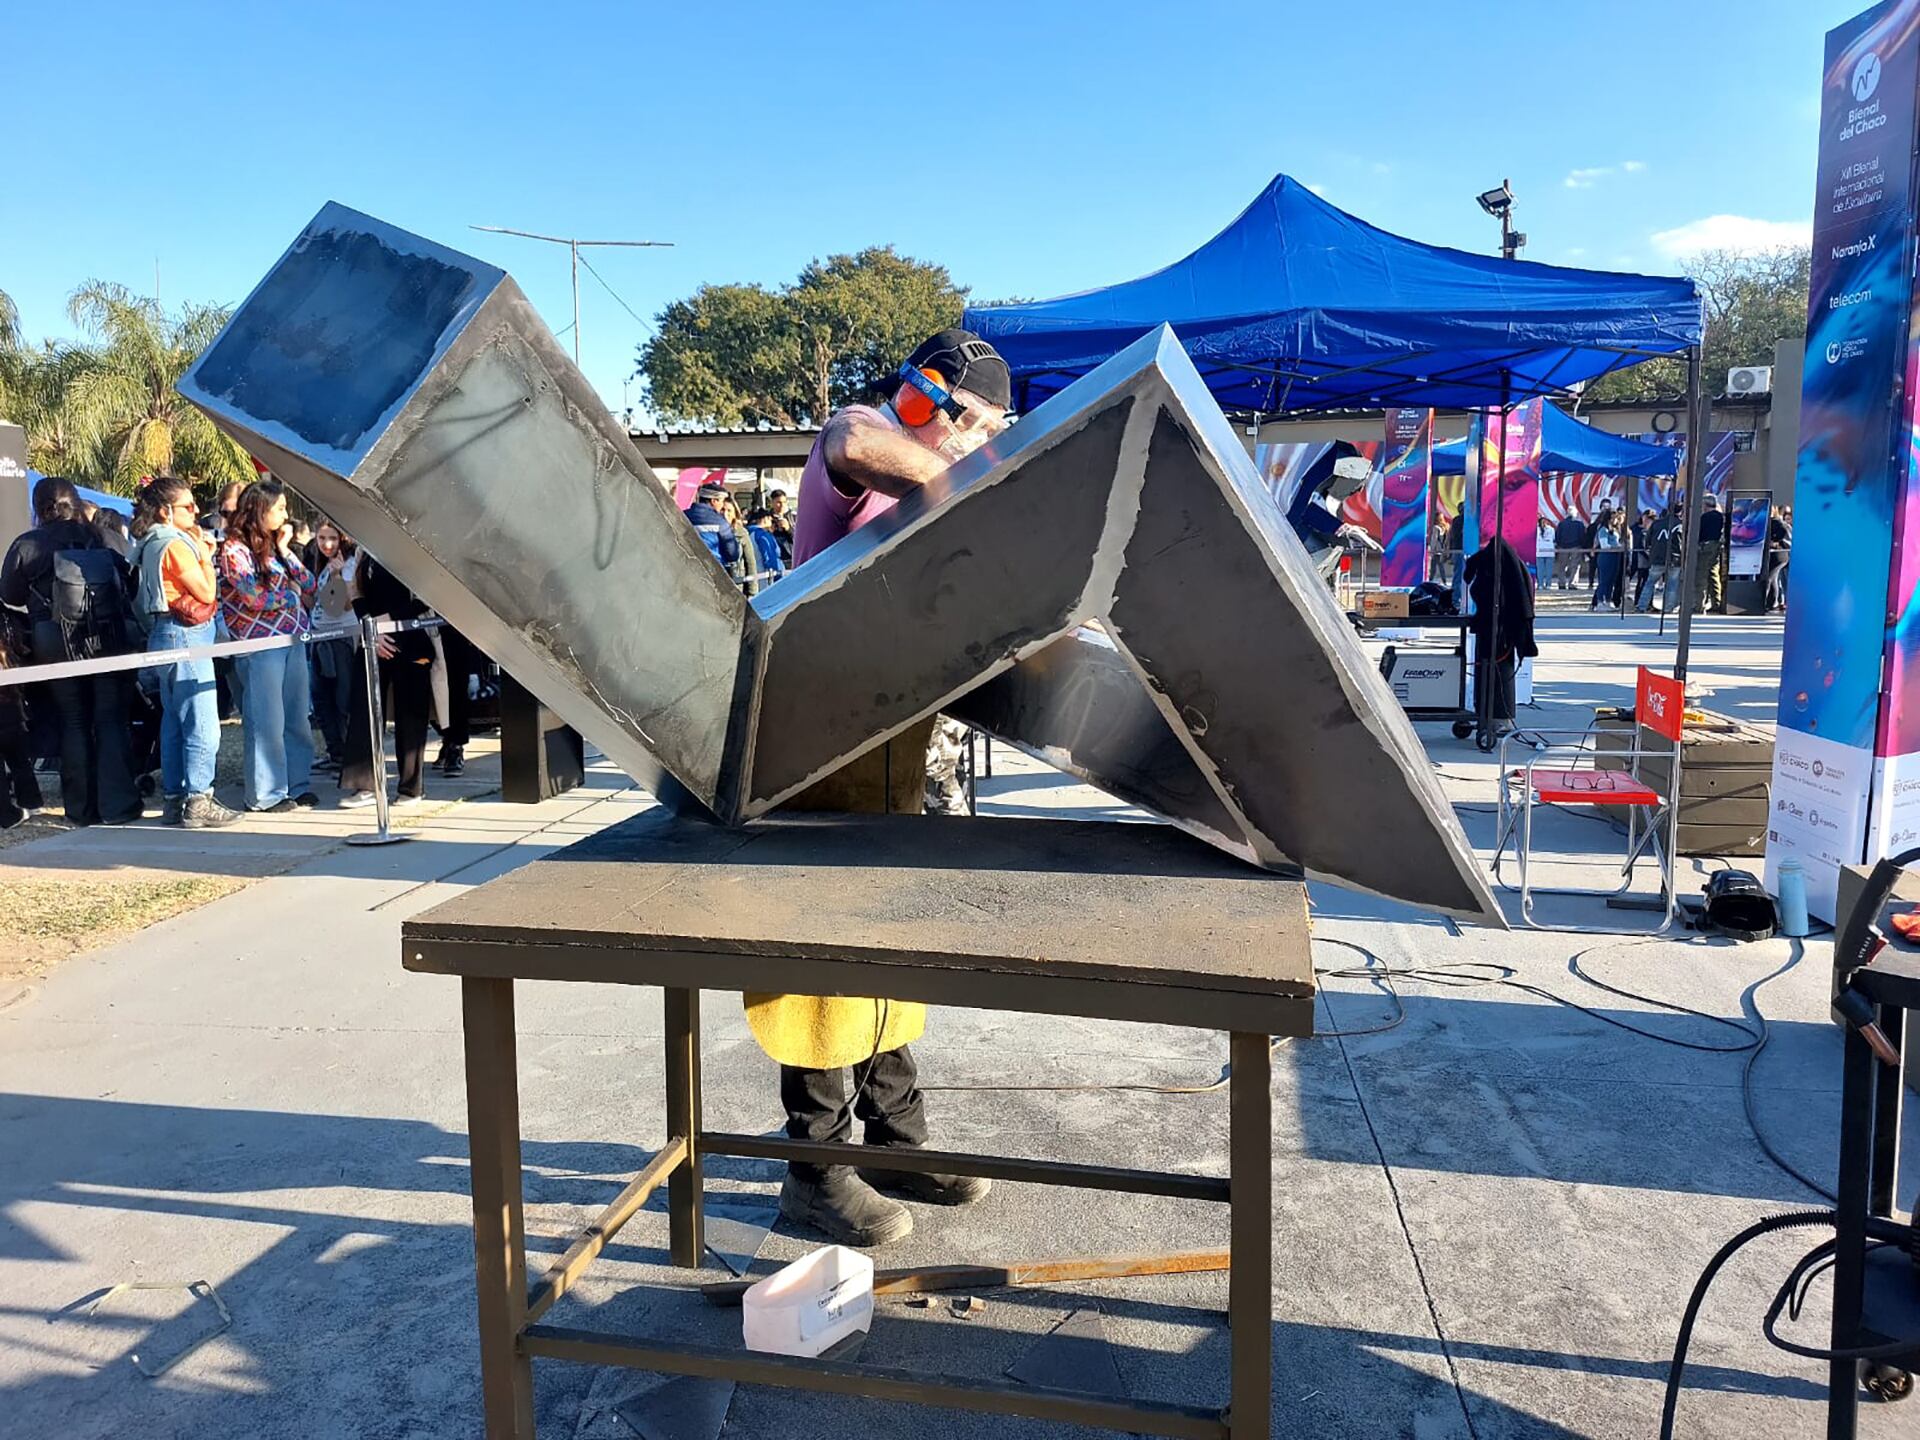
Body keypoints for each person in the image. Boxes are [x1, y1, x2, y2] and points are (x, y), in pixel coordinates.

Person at [780, 327, 1012, 1248]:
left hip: (912, 749)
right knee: (826, 964)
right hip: (832, 749)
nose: (978, 438)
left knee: (895, 955)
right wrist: (968, 466)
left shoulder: (934, 483)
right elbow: (850, 437)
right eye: (977, 420)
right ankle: (816, 1168)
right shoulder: (871, 444)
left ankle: (896, 1140)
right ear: (937, 399)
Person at [0, 476, 142, 826]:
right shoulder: (101, 537)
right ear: (77, 502)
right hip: (107, 636)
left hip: (53, 639)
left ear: (38, 507)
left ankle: (80, 809)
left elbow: (10, 595)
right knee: (111, 719)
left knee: (73, 720)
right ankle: (118, 805)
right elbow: (128, 583)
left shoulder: (28, 544)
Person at [131, 477, 239, 829]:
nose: (195, 512)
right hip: (186, 636)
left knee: (174, 720)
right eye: (188, 506)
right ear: (166, 511)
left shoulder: (149, 542)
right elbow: (206, 593)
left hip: (166, 634)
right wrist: (207, 557)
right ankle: (198, 799)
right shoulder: (174, 545)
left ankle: (175, 800)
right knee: (202, 723)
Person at [218, 482, 318, 813]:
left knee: (296, 717)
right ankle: (266, 793)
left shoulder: (276, 548)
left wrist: (286, 549)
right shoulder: (234, 550)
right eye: (279, 509)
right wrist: (289, 596)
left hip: (292, 638)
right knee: (267, 721)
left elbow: (309, 583)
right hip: (260, 644)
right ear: (260, 510)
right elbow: (252, 597)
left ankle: (297, 783)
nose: (285, 515)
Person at [339, 554, 434, 808]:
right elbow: (356, 593)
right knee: (364, 710)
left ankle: (411, 787)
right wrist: (372, 627)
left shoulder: (410, 548)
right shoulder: (364, 551)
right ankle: (365, 784)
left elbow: (425, 598)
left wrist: (385, 621)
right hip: (372, 640)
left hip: (410, 637)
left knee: (411, 715)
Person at [1463, 534, 1537, 743]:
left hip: (1500, 632)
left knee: (1495, 672)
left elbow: (1479, 589)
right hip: (1496, 628)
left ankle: (1497, 716)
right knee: (1488, 670)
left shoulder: (1493, 565)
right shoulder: (1502, 563)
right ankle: (1490, 715)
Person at [304, 520, 359, 773]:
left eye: (333, 539)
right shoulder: (321, 565)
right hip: (318, 636)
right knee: (321, 698)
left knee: (342, 698)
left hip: (341, 637)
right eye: (322, 538)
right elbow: (314, 601)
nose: (327, 544)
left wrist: (337, 576)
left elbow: (339, 606)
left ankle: (348, 753)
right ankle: (334, 750)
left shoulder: (347, 566)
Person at [0, 628, 45, 829]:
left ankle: (7, 815)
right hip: (10, 706)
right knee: (20, 760)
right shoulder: (7, 631)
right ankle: (32, 801)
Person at [684, 482, 743, 583]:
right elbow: (732, 554)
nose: (722, 506)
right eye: (721, 501)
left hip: (686, 570)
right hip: (714, 573)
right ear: (714, 501)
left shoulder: (683, 515)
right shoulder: (720, 522)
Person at [1696, 494, 1727, 613]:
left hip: (1705, 547)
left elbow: (1699, 533)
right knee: (1713, 574)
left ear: (1706, 505)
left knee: (1701, 575)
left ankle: (1699, 605)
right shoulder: (1720, 517)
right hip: (1716, 546)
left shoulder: (1705, 517)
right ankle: (1716, 603)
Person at [1590, 508, 1625, 610]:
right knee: (1604, 580)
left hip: (1615, 557)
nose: (1615, 520)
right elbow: (1604, 545)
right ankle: (1600, 602)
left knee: (1611, 580)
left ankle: (1608, 601)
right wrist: (1617, 547)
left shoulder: (1614, 530)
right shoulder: (1603, 530)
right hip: (1606, 557)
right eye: (1613, 518)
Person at [745, 508, 787, 585]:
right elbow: (770, 559)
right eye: (771, 520)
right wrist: (778, 577)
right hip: (766, 579)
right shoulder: (763, 535)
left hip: (752, 577)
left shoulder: (746, 534)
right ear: (765, 519)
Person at [1765, 503, 1792, 612]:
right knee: (1774, 578)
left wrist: (1775, 541)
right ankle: (1772, 602)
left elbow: (1782, 534)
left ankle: (1767, 601)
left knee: (1769, 578)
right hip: (1783, 554)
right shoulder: (1779, 522)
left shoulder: (1775, 522)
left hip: (1778, 554)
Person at [1551, 511, 1585, 590]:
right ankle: (1572, 584)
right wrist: (1581, 545)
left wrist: (1559, 545)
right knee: (1575, 566)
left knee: (1562, 566)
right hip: (1576, 546)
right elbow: (1582, 535)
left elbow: (1558, 535)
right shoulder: (1579, 524)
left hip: (1563, 547)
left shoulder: (1562, 523)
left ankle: (1562, 583)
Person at [766, 488, 795, 566]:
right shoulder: (766, 518)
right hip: (774, 558)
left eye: (784, 502)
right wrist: (769, 532)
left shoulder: (793, 518)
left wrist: (789, 529)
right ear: (771, 502)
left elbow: (799, 539)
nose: (782, 505)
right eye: (778, 502)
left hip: (790, 558)